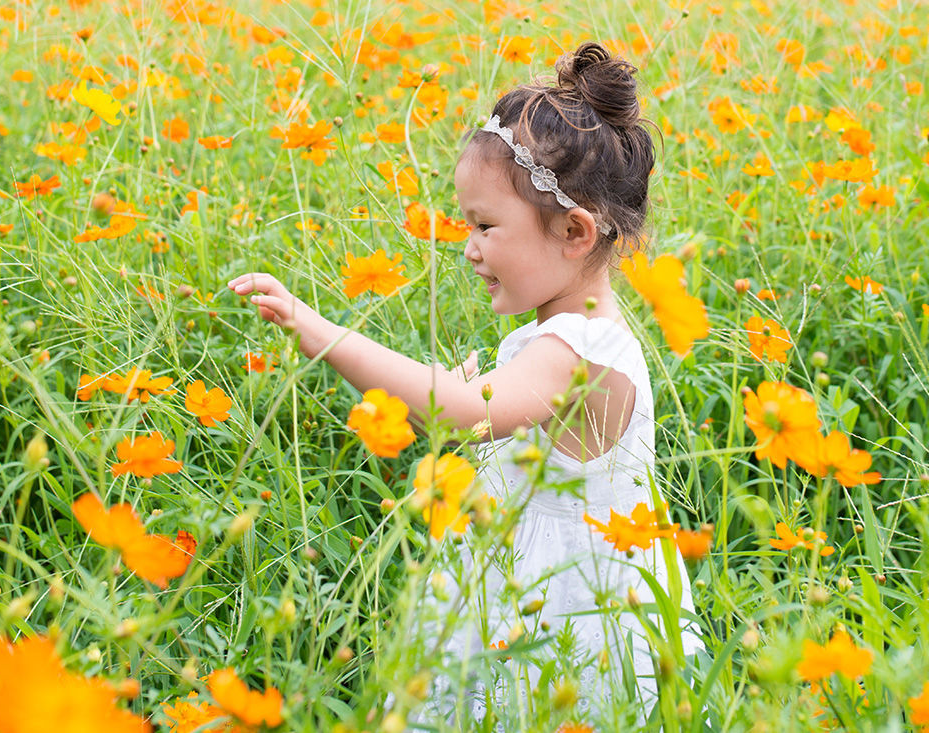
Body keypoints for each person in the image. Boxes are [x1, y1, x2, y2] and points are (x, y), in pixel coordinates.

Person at [228, 42, 701, 722]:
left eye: (484, 225)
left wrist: (323, 333)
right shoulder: (571, 333)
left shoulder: (579, 348)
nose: (469, 245)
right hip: (535, 594)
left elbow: (458, 412)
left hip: (563, 618)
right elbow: (499, 422)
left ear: (573, 232)